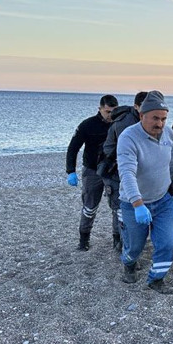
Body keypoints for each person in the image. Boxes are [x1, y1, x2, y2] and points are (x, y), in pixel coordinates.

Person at [116, 90, 173, 294]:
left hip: (163, 200)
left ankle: (156, 279)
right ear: (141, 115)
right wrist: (137, 204)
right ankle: (128, 263)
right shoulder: (129, 137)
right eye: (155, 118)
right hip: (133, 203)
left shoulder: (168, 133)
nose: (160, 124)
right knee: (134, 247)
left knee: (167, 243)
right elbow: (126, 173)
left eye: (163, 118)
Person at [66, 94, 119, 251]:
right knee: (89, 206)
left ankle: (117, 239)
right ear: (100, 109)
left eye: (113, 111)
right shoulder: (87, 125)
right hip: (92, 170)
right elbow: (73, 148)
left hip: (113, 171)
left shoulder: (119, 124)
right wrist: (70, 171)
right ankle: (84, 239)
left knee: (118, 207)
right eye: (107, 111)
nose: (110, 115)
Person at [97, 91, 148, 251]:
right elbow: (126, 151)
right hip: (115, 171)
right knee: (120, 208)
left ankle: (123, 241)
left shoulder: (142, 120)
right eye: (145, 108)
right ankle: (119, 241)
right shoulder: (126, 123)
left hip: (131, 170)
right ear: (136, 106)